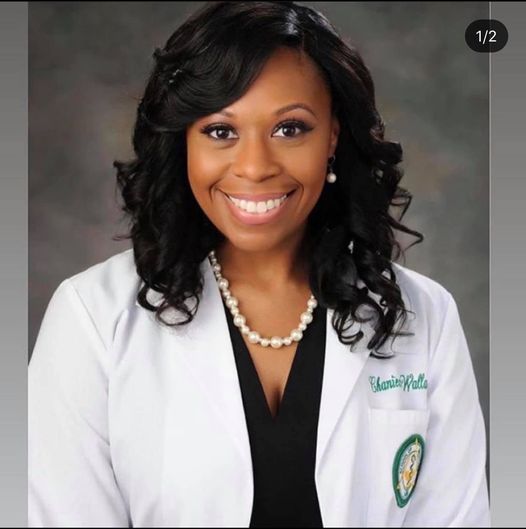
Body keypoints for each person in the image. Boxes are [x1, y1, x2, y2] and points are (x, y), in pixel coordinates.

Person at [28, 1, 490, 527]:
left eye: (290, 129)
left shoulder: (425, 317)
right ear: (183, 142)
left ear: (333, 136)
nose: (254, 167)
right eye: (220, 131)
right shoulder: (92, 318)